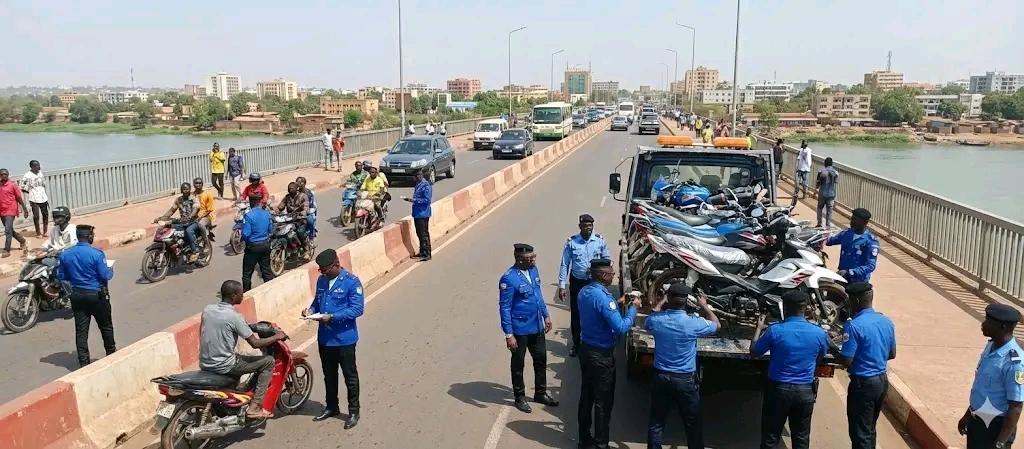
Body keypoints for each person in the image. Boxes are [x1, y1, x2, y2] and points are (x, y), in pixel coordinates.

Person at [750, 290, 830, 449]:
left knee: (770, 438)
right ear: (806, 308)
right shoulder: (819, 333)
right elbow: (820, 357)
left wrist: (759, 328)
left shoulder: (775, 330)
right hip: (805, 392)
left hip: (778, 391)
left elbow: (754, 352)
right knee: (801, 439)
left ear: (784, 308)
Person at [645, 282, 720, 449]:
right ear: (686, 301)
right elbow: (717, 325)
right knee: (692, 424)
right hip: (685, 381)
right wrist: (705, 307)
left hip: (661, 377)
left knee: (657, 423)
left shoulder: (657, 321)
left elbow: (649, 319)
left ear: (668, 299)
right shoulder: (693, 323)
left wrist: (660, 302)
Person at [199, 280, 286, 420]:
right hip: (224, 365)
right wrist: (278, 336)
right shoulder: (234, 316)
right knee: (268, 362)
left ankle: (234, 399)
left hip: (205, 361)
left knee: (239, 357)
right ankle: (255, 407)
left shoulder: (208, 309)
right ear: (233, 296)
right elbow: (255, 343)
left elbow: (205, 332)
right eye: (241, 294)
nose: (243, 296)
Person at [577, 258, 640, 449]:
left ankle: (584, 439)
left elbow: (600, 309)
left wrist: (617, 302)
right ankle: (601, 444)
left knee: (586, 397)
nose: (613, 276)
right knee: (603, 402)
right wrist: (632, 309)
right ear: (603, 275)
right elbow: (621, 327)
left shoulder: (584, 292)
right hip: (601, 356)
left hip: (586, 350)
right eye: (611, 274)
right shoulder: (604, 298)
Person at [304, 249, 365, 428]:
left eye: (324, 270)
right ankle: (332, 406)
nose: (322, 273)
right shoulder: (322, 281)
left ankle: (354, 411)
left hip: (344, 339)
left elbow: (357, 309)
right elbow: (317, 302)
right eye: (320, 270)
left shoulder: (352, 282)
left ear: (336, 265)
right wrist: (310, 311)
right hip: (325, 338)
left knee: (349, 376)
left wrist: (332, 317)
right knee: (329, 376)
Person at [499, 243, 559, 413]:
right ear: (519, 260)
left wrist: (546, 315)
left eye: (534, 257)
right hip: (519, 329)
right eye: (529, 258)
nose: (533, 260)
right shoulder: (509, 278)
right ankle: (519, 396)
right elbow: (504, 307)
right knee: (518, 364)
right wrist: (509, 334)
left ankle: (540, 392)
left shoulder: (533, 270)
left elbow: (538, 295)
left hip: (537, 325)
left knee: (541, 360)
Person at [958, 303, 1024, 449]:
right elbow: (984, 389)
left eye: (988, 321)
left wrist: (1000, 442)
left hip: (996, 428)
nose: (983, 324)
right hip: (978, 421)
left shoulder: (1013, 362)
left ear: (1002, 327)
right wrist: (968, 414)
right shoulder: (991, 346)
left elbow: (1016, 406)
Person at [839, 282, 896, 449]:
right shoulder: (886, 321)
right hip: (881, 382)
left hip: (863, 384)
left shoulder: (853, 326)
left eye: (849, 299)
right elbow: (891, 354)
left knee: (860, 434)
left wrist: (836, 351)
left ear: (856, 301)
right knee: (869, 429)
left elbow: (846, 361)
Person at [57, 224, 116, 367]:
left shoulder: (66, 254)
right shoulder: (97, 254)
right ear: (89, 236)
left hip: (77, 295)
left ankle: (84, 363)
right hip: (96, 296)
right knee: (105, 326)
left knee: (81, 330)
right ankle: (112, 355)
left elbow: (62, 276)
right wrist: (110, 269)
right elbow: (105, 275)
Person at [558, 214, 610, 357]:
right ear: (580, 226)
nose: (588, 228)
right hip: (577, 282)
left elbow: (607, 260)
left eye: (590, 226)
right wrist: (562, 285)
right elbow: (565, 264)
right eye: (585, 226)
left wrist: (604, 278)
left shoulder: (600, 241)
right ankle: (576, 344)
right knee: (576, 314)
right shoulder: (572, 243)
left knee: (597, 311)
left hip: (594, 283)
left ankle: (595, 343)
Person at [826, 207, 879, 283]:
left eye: (855, 220)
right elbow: (829, 241)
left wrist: (850, 272)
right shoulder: (846, 233)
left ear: (865, 222)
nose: (852, 222)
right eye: (852, 219)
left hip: (858, 281)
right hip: (842, 277)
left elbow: (870, 266)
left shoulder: (870, 241)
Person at [157, 183, 201, 263]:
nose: (185, 191)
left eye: (187, 189)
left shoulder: (193, 198)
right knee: (169, 229)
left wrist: (191, 215)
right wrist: (161, 218)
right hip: (182, 222)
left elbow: (196, 208)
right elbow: (171, 211)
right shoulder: (178, 200)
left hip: (193, 221)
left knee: (189, 230)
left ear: (190, 189)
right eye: (184, 189)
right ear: (181, 190)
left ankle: (196, 251)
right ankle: (177, 248)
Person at [240, 193, 274, 292]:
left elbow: (246, 234)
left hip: (253, 247)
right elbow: (270, 230)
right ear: (260, 201)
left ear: (250, 202)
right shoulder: (266, 214)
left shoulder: (248, 215)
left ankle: (247, 293)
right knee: (266, 271)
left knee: (247, 273)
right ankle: (270, 291)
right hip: (265, 245)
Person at [403, 169, 432, 261]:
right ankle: (422, 251)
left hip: (423, 213)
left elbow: (427, 200)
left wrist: (413, 200)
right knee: (419, 233)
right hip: (417, 213)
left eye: (415, 176)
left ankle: (427, 253)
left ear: (419, 175)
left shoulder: (426, 186)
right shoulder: (418, 185)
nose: (414, 178)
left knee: (424, 234)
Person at [0, 168, 29, 258]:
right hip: (2, 210)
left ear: (8, 175)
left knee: (7, 230)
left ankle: (7, 250)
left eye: (6, 174)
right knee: (10, 230)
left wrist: (25, 209)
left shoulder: (12, 185)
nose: (4, 176)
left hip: (10, 209)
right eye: (2, 174)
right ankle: (22, 240)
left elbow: (19, 197)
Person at [22, 160, 49, 238]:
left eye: (39, 165)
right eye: (37, 165)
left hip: (43, 197)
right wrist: (30, 191)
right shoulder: (27, 175)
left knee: (45, 214)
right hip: (34, 198)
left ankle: (45, 231)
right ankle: (38, 233)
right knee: (36, 216)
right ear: (32, 167)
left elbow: (43, 184)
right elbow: (22, 186)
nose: (39, 166)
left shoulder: (40, 173)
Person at [815, 157, 840, 228]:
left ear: (824, 163)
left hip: (822, 192)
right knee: (829, 210)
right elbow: (836, 182)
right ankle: (828, 225)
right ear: (832, 164)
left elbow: (818, 183)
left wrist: (816, 189)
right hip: (831, 194)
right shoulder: (835, 172)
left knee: (820, 208)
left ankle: (819, 223)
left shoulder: (821, 172)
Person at [192, 177, 216, 244]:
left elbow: (209, 210)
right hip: (194, 216)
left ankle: (206, 243)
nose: (198, 185)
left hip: (206, 216)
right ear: (194, 184)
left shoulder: (208, 194)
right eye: (196, 183)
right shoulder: (191, 195)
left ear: (202, 184)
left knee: (201, 225)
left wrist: (200, 217)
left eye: (200, 183)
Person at [791, 140, 813, 206]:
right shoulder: (801, 150)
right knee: (798, 182)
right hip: (800, 168)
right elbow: (799, 158)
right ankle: (798, 193)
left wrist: (809, 166)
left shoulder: (808, 151)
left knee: (805, 183)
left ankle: (804, 195)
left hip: (806, 169)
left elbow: (809, 160)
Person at [296, 176, 317, 241]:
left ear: (303, 183)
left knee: (310, 221)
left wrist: (305, 211)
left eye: (299, 182)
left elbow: (310, 205)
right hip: (296, 212)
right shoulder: (295, 192)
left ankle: (311, 235)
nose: (297, 184)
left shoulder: (308, 193)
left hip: (308, 211)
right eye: (296, 182)